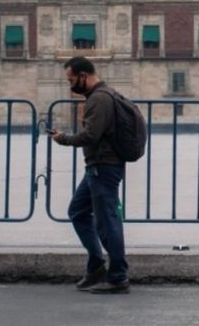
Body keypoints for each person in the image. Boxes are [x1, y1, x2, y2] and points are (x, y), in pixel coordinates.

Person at [50, 56, 130, 294]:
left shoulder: (99, 99)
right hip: (97, 166)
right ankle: (96, 266)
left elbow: (90, 136)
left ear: (83, 76)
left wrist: (62, 138)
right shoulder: (102, 95)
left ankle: (118, 277)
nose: (70, 84)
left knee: (107, 222)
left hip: (103, 167)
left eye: (71, 79)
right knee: (77, 211)